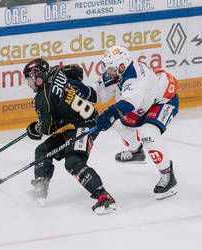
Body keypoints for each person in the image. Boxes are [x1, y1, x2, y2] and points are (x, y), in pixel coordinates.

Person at [71, 45, 179, 200]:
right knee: (121, 124)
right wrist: (81, 90)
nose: (108, 72)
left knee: (148, 133)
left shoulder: (135, 77)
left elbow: (128, 104)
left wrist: (108, 115)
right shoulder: (117, 72)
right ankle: (136, 152)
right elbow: (98, 93)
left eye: (110, 69)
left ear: (121, 66)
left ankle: (168, 175)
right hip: (142, 105)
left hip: (163, 101)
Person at [23, 58, 117, 215]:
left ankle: (104, 196)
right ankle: (41, 185)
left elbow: (47, 128)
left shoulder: (42, 99)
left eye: (29, 80)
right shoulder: (56, 72)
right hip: (75, 123)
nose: (28, 84)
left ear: (39, 78)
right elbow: (77, 71)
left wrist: (34, 129)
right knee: (42, 151)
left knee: (73, 162)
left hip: (86, 125)